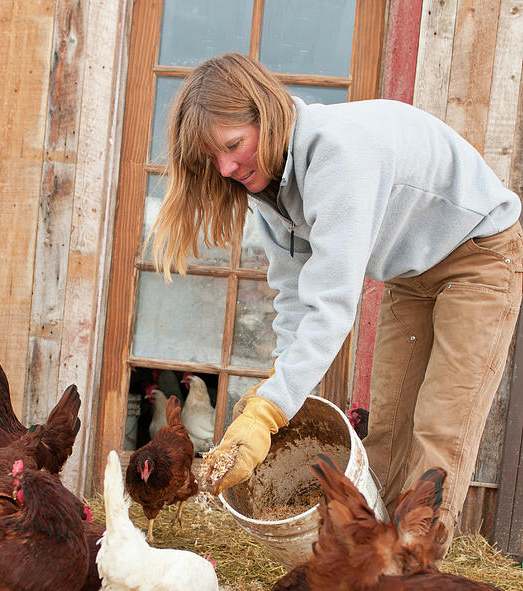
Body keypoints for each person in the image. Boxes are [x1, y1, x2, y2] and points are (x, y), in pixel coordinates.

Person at [150, 52, 523, 551]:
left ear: (267, 112)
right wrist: (279, 388)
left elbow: (331, 307)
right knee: (386, 434)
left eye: (234, 146)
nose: (226, 167)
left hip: (479, 257)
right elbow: (294, 300)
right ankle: (369, 566)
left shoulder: (338, 155)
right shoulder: (271, 189)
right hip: (412, 275)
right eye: (213, 159)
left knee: (438, 430)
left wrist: (268, 411)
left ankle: (411, 583)